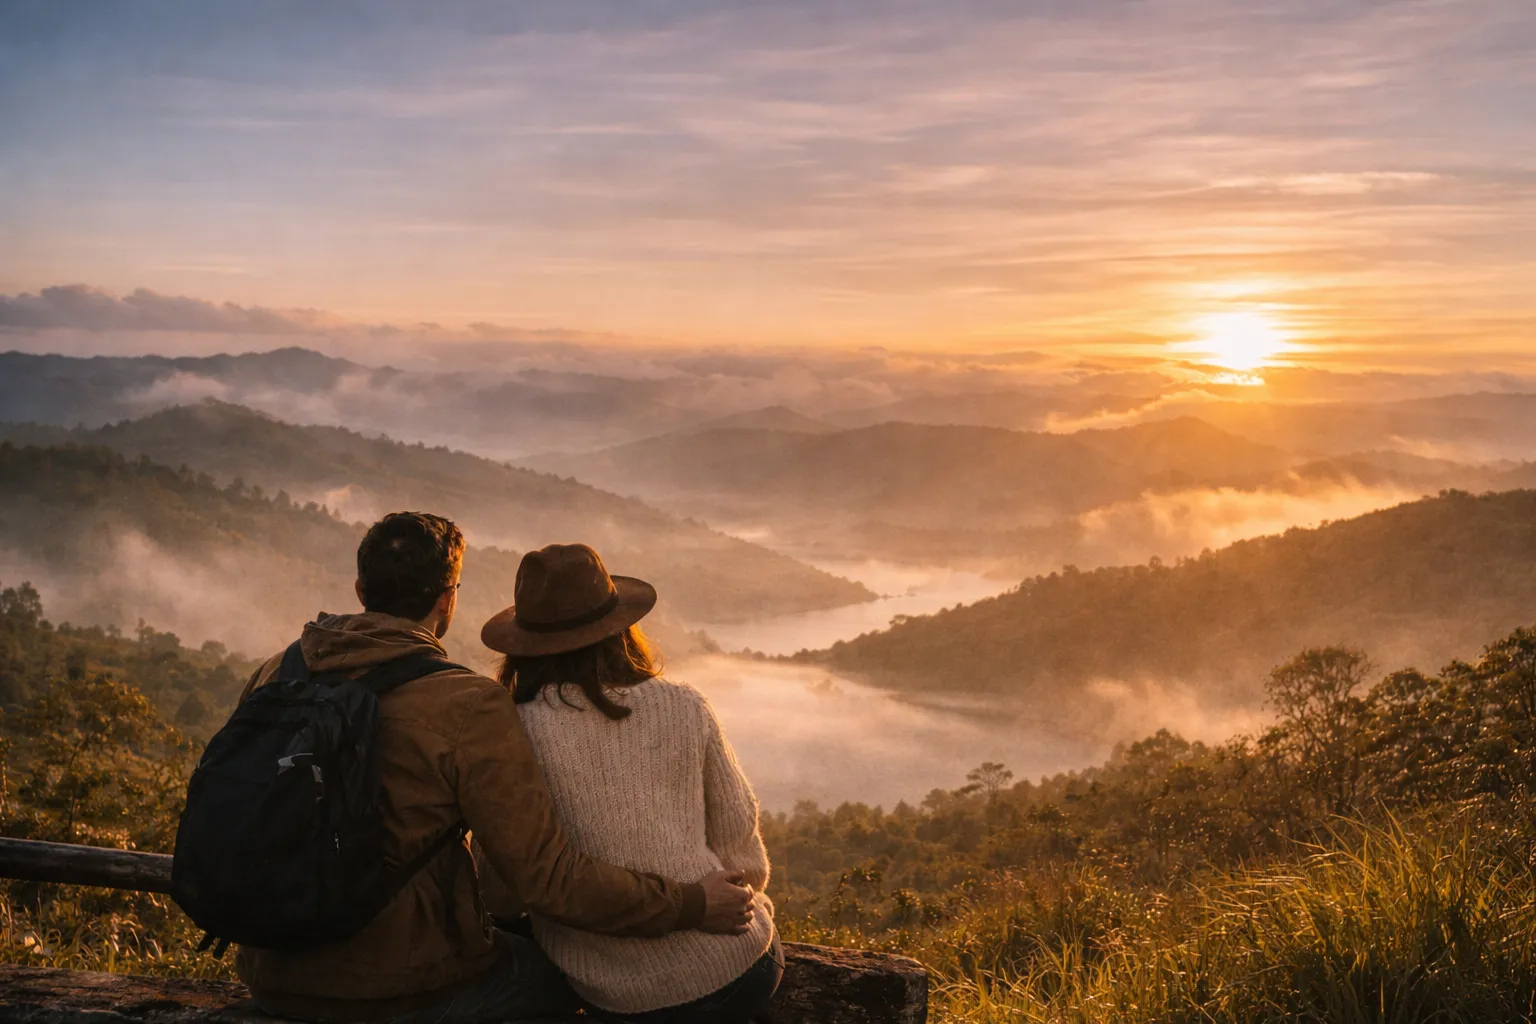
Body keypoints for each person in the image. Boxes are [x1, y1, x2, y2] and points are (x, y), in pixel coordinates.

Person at [234, 513, 755, 1024]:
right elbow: (544, 881)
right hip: (400, 987)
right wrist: (691, 904)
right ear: (446, 599)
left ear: (359, 586)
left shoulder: (277, 672)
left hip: (271, 971)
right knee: (556, 975)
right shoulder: (464, 703)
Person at [478, 543, 781, 1024]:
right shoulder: (685, 706)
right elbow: (742, 856)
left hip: (612, 992)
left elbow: (502, 892)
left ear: (523, 645)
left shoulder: (512, 733)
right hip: (736, 967)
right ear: (619, 629)